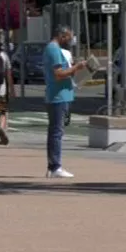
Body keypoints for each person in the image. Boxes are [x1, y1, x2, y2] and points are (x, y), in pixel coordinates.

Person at [43, 26, 85, 178]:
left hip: (60, 95)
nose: (71, 40)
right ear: (62, 36)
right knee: (56, 132)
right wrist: (76, 68)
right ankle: (55, 166)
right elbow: (59, 74)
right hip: (58, 96)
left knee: (55, 131)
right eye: (69, 37)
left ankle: (52, 165)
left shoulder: (54, 49)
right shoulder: (54, 50)